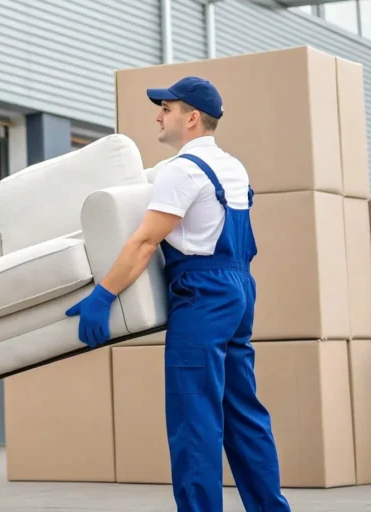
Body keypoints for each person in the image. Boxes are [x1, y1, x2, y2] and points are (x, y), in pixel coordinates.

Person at [65, 77, 291, 512]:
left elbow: (145, 242)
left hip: (203, 295)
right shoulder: (233, 167)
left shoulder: (181, 171)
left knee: (194, 421)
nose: (157, 115)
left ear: (191, 118)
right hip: (239, 290)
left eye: (166, 109)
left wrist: (103, 295)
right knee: (244, 415)